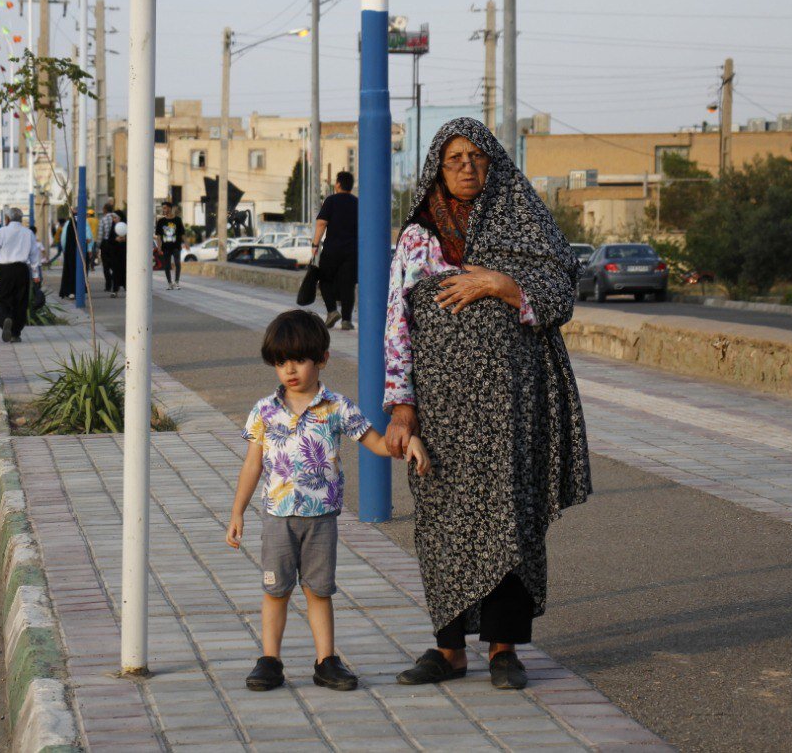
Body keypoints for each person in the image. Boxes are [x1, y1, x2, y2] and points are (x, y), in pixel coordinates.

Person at [380, 118, 591, 691]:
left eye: (477, 156)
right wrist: (402, 408)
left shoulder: (524, 220)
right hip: (442, 413)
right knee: (443, 519)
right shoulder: (418, 236)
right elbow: (398, 324)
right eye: (454, 158)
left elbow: (561, 288)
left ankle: (504, 648)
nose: (467, 166)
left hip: (511, 408)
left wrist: (503, 284)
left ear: (493, 163)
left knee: (510, 515)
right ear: (436, 170)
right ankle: (447, 649)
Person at [228, 310, 429, 693]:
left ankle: (326, 660)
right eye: (281, 362)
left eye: (300, 360)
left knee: (320, 592)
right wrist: (236, 512)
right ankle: (270, 660)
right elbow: (252, 464)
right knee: (276, 590)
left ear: (322, 359)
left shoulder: (338, 407)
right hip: (277, 519)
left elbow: (376, 443)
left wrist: (408, 441)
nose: (290, 369)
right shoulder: (264, 411)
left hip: (321, 520)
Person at [0, 207, 40, 343]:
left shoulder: (2, 232)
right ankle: (16, 333)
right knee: (20, 301)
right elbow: (34, 255)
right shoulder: (28, 233)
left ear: (7, 219)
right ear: (21, 219)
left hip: (5, 270)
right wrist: (36, 274)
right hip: (22, 270)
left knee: (3, 298)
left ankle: (5, 319)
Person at [311, 171, 359, 330]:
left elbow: (321, 223)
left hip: (332, 249)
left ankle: (332, 311)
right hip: (352, 250)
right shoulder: (357, 202)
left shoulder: (331, 200)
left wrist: (315, 245)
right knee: (348, 285)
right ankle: (346, 320)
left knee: (324, 279)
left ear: (337, 184)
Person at [154, 201, 185, 290]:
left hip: (176, 246)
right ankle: (169, 283)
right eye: (163, 208)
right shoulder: (161, 221)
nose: (164, 210)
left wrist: (186, 243)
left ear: (170, 208)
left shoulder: (178, 220)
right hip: (166, 247)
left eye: (165, 208)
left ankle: (177, 282)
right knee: (167, 265)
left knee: (177, 263)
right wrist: (159, 247)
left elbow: (182, 233)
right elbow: (158, 236)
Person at [57, 213, 80, 300]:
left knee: (70, 271)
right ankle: (75, 290)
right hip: (77, 253)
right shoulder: (82, 224)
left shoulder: (68, 224)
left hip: (69, 252)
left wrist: (64, 250)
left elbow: (63, 239)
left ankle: (70, 291)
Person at [98, 200, 119, 293]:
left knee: (106, 266)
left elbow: (100, 234)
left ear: (105, 210)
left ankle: (108, 285)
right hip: (117, 243)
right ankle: (116, 283)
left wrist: (97, 246)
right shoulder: (117, 217)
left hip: (106, 244)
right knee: (115, 265)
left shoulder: (103, 219)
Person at [109, 220, 128, 297]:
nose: (114, 219)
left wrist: (125, 239)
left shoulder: (126, 227)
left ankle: (128, 289)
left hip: (126, 255)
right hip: (115, 255)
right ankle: (115, 290)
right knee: (115, 273)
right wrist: (115, 240)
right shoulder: (113, 229)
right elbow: (109, 241)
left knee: (126, 273)